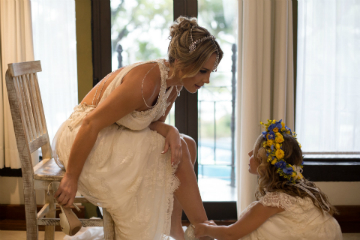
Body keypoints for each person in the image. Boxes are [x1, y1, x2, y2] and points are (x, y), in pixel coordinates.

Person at [52, 16, 223, 240]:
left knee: (186, 144)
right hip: (83, 136)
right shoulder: (147, 82)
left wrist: (170, 130)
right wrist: (71, 176)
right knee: (177, 148)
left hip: (111, 132)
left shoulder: (173, 87)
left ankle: (175, 231)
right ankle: (203, 230)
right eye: (203, 71)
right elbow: (90, 123)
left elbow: (150, 124)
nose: (207, 79)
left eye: (211, 72)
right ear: (184, 63)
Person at [190, 119, 342, 240]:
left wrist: (205, 229)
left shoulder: (274, 200)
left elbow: (231, 234)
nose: (249, 153)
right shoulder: (302, 191)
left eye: (254, 152)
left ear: (265, 163)